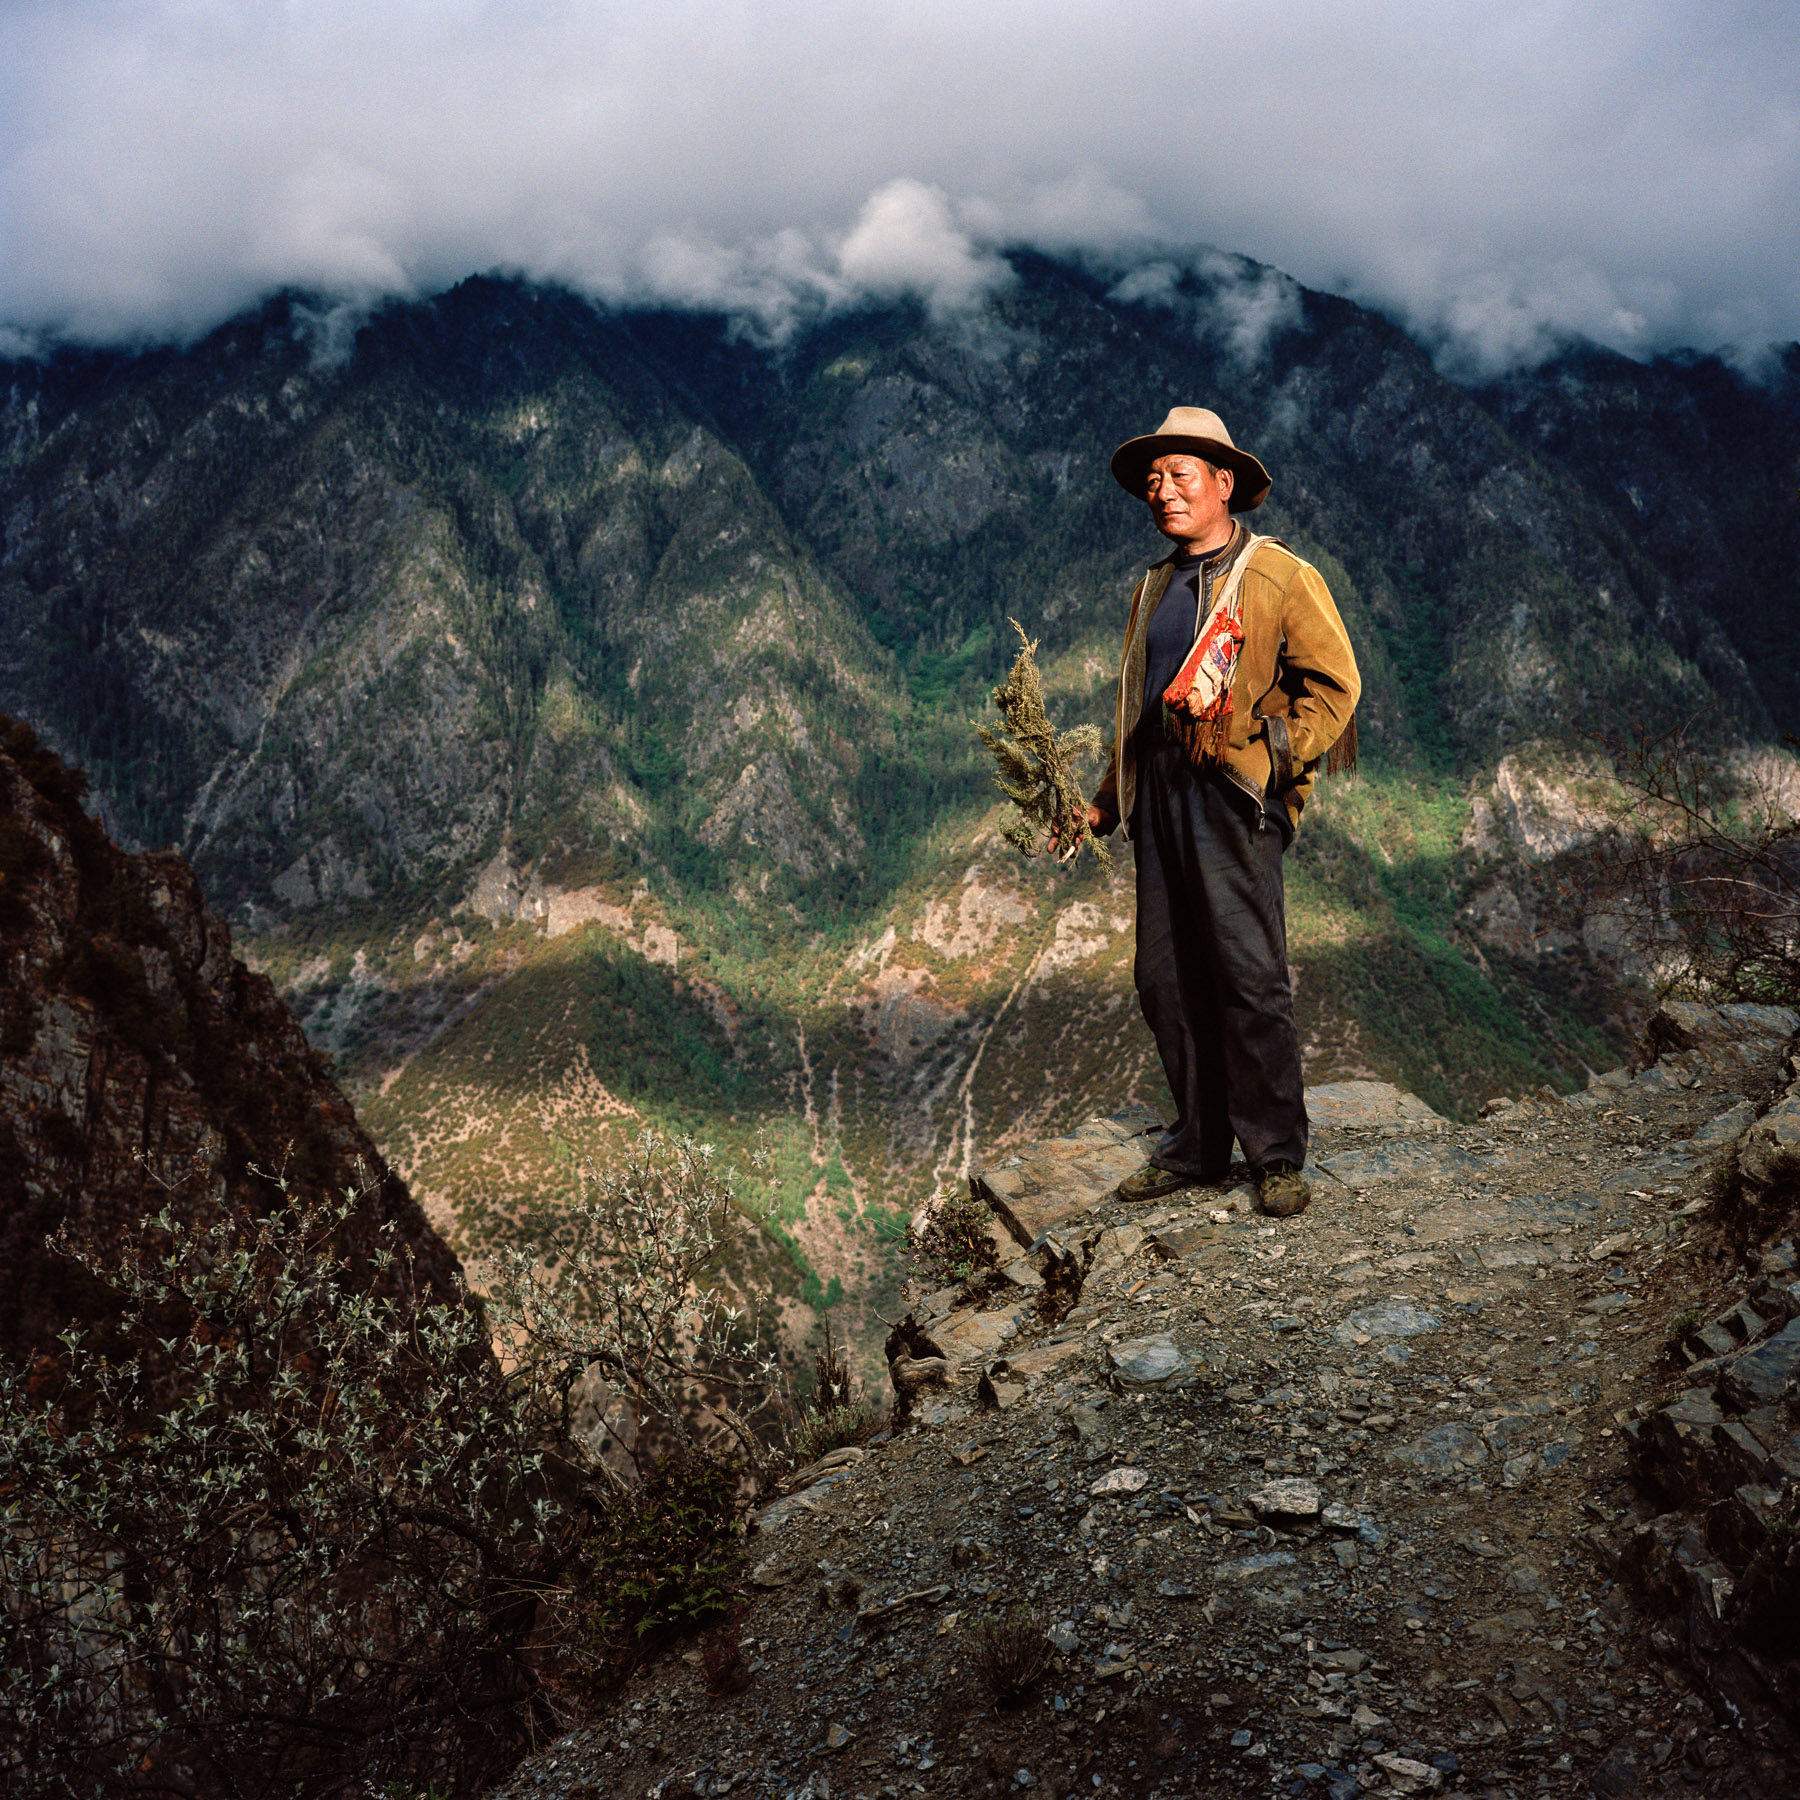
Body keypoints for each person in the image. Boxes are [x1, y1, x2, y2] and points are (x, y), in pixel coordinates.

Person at [1071, 407, 1360, 1218]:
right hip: (1159, 797)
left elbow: (1335, 686)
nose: (1163, 492)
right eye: (1154, 480)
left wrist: (1273, 755)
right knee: (1164, 976)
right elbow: (1138, 710)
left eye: (1180, 476)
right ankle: (1197, 1146)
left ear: (1223, 483)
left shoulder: (1277, 575)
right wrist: (1102, 804)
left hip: (1232, 797)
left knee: (1247, 972)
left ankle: (1274, 1153)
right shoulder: (1154, 587)